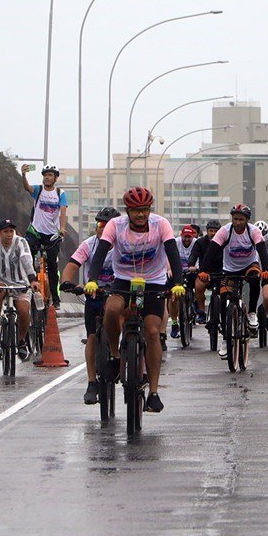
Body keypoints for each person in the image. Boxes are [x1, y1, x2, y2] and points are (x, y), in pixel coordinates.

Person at [83, 187, 185, 414]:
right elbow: (100, 253)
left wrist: (177, 282)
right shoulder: (115, 225)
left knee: (151, 331)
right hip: (124, 279)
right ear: (127, 211)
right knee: (111, 310)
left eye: (145, 210)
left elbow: (172, 254)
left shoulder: (161, 225)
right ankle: (115, 354)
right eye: (136, 210)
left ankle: (154, 393)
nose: (141, 215)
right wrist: (92, 279)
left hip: (154, 281)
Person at [59, 206, 120, 404]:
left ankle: (123, 354)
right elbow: (73, 264)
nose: (103, 229)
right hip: (94, 294)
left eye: (108, 225)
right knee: (92, 336)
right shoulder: (89, 244)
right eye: (100, 224)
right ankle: (92, 381)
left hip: (117, 293)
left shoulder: (123, 245)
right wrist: (67, 282)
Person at [199, 203, 268, 356]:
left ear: (247, 220)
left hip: (250, 265)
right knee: (225, 298)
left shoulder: (254, 232)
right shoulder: (225, 231)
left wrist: (266, 270)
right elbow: (211, 252)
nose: (238, 222)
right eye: (235, 219)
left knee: (254, 279)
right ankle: (225, 339)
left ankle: (251, 312)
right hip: (229, 269)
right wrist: (203, 271)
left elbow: (262, 251)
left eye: (241, 219)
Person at [0, 219, 41, 361]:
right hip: (0, 280)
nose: (9, 235)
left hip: (20, 282)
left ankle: (21, 341)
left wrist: (32, 280)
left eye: (11, 231)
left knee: (24, 310)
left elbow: (27, 260)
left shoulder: (21, 242)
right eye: (5, 231)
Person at [21, 163, 68, 309]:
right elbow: (27, 187)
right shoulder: (38, 190)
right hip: (35, 231)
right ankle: (26, 285)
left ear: (55, 178)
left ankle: (55, 298)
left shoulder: (60, 193)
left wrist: (62, 229)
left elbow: (63, 212)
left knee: (53, 266)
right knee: (26, 256)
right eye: (45, 175)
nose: (47, 178)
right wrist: (23, 175)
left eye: (50, 175)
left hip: (52, 234)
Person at [188, 219, 221, 324]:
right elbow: (193, 255)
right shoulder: (200, 242)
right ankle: (201, 312)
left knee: (229, 291)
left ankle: (225, 313)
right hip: (204, 273)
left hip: (221, 273)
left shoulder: (225, 242)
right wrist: (191, 265)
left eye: (216, 231)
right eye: (211, 231)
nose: (213, 233)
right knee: (198, 286)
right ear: (207, 231)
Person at [168, 225, 197, 339]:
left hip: (192, 270)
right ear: (181, 235)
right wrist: (169, 269)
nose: (187, 239)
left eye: (189, 237)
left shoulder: (196, 243)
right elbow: (168, 256)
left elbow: (199, 256)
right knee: (173, 297)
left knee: (199, 283)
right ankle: (175, 323)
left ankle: (194, 304)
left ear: (193, 236)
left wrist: (196, 267)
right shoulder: (175, 242)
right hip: (177, 272)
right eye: (185, 237)